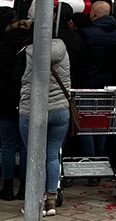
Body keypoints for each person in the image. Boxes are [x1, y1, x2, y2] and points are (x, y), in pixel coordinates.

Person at [16, 36, 71, 216]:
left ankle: (35, 200)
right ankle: (51, 201)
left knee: (33, 155)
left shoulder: (27, 53)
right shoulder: (62, 48)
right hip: (60, 109)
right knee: (52, 154)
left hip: (32, 110)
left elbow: (16, 77)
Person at [77, 0, 116, 155]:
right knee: (101, 122)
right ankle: (100, 157)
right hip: (107, 85)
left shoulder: (86, 33)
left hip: (88, 84)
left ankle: (89, 157)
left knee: (87, 123)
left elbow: (81, 60)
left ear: (93, 14)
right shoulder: (115, 34)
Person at [0, 20, 30, 201]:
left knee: (7, 145)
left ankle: (8, 185)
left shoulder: (2, 49)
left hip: (4, 101)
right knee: (25, 145)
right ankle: (25, 186)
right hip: (25, 100)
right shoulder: (30, 51)